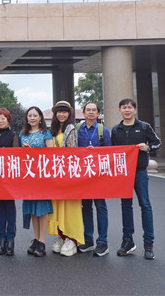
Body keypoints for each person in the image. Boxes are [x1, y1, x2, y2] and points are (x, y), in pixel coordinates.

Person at [112, 98, 161, 260]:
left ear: (135, 110)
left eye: (129, 107)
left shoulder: (144, 127)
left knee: (145, 205)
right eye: (124, 107)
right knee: (126, 206)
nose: (127, 110)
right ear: (120, 110)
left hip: (140, 172)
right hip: (123, 174)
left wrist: (148, 147)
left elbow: (157, 142)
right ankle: (128, 241)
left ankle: (148, 243)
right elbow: (111, 150)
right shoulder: (116, 129)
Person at [48, 100, 84, 257]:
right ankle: (62, 235)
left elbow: (73, 152)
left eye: (64, 111)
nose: (61, 114)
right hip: (55, 175)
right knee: (57, 205)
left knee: (70, 206)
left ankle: (72, 238)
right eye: (59, 111)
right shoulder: (53, 130)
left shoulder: (71, 129)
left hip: (67, 173)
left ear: (69, 114)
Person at [76, 102, 112, 257]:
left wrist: (96, 151)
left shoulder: (103, 131)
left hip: (99, 176)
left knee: (100, 207)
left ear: (98, 114)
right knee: (86, 207)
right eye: (88, 110)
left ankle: (103, 241)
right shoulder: (78, 129)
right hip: (83, 176)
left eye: (94, 110)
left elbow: (109, 153)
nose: (91, 112)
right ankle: (88, 239)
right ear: (84, 113)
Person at [19, 106, 53, 257]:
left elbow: (51, 154)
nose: (32, 118)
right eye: (30, 115)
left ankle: (42, 241)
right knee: (32, 208)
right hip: (28, 177)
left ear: (40, 118)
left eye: (35, 115)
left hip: (42, 176)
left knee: (42, 208)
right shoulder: (22, 134)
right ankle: (36, 239)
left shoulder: (46, 133)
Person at [0, 108, 20, 256]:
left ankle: (11, 238)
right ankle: (2, 237)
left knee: (10, 207)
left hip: (10, 178)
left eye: (3, 118)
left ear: (8, 119)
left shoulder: (14, 136)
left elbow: (15, 155)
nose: (0, 121)